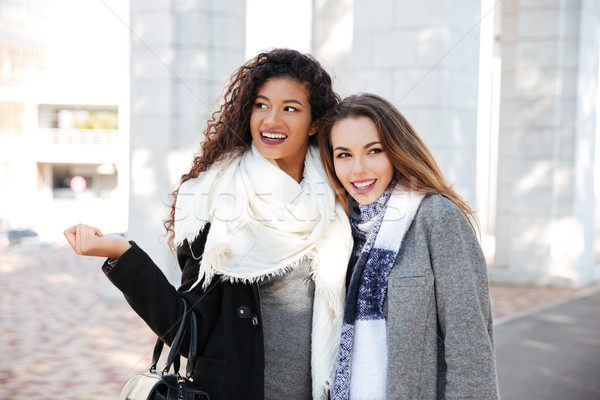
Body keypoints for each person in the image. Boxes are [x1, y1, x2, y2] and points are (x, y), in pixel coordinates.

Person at [64, 49, 353, 400]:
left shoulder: (340, 194)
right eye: (261, 105)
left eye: (290, 108)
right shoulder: (211, 199)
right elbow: (188, 330)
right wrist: (122, 254)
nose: (271, 120)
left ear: (316, 122)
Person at [317, 93, 500, 399]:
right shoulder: (339, 229)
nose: (358, 169)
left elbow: (470, 350)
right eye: (344, 155)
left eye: (373, 150)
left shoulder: (437, 217)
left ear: (396, 150)